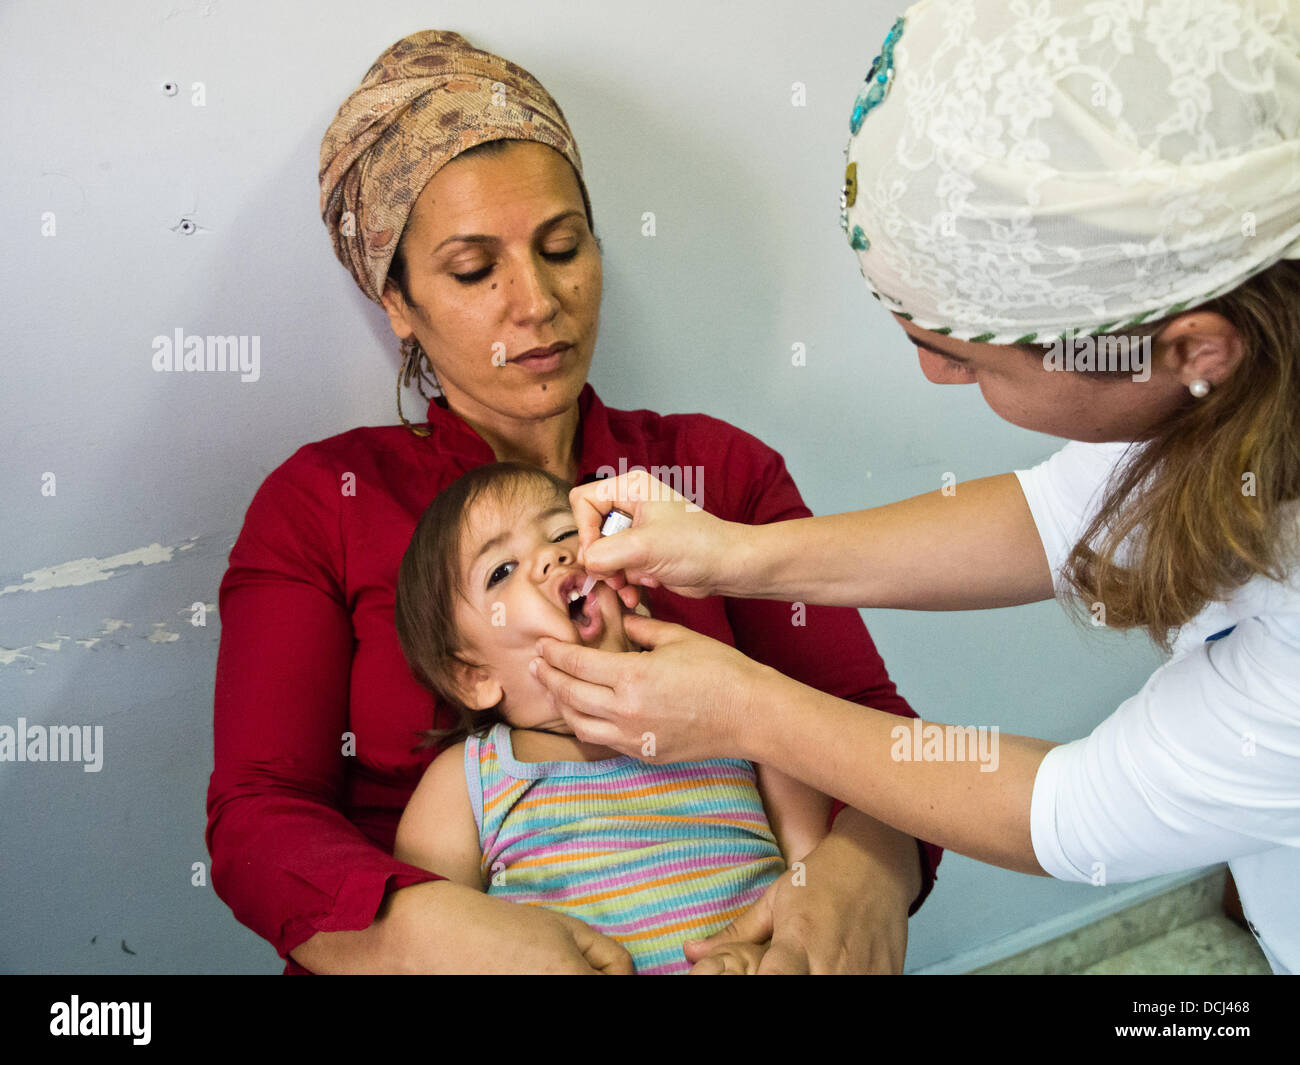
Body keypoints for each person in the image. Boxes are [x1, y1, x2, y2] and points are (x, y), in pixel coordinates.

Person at [532, 0, 1300, 974]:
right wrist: (734, 554)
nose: (936, 380)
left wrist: (746, 712)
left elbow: (1073, 813)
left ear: (1190, 346)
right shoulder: (1227, 382)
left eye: (969, 363)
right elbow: (1066, 518)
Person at [206, 29, 940, 975]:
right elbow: (260, 816)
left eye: (562, 246)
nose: (538, 301)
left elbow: (867, 723)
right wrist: (433, 931)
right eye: (475, 271)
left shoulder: (718, 471)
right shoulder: (320, 504)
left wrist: (859, 872)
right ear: (398, 302)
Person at [391, 461, 834, 974]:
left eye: (563, 533)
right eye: (502, 571)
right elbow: (430, 942)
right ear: (473, 677)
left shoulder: (726, 705)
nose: (553, 556)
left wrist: (773, 955)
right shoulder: (468, 782)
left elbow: (816, 887)